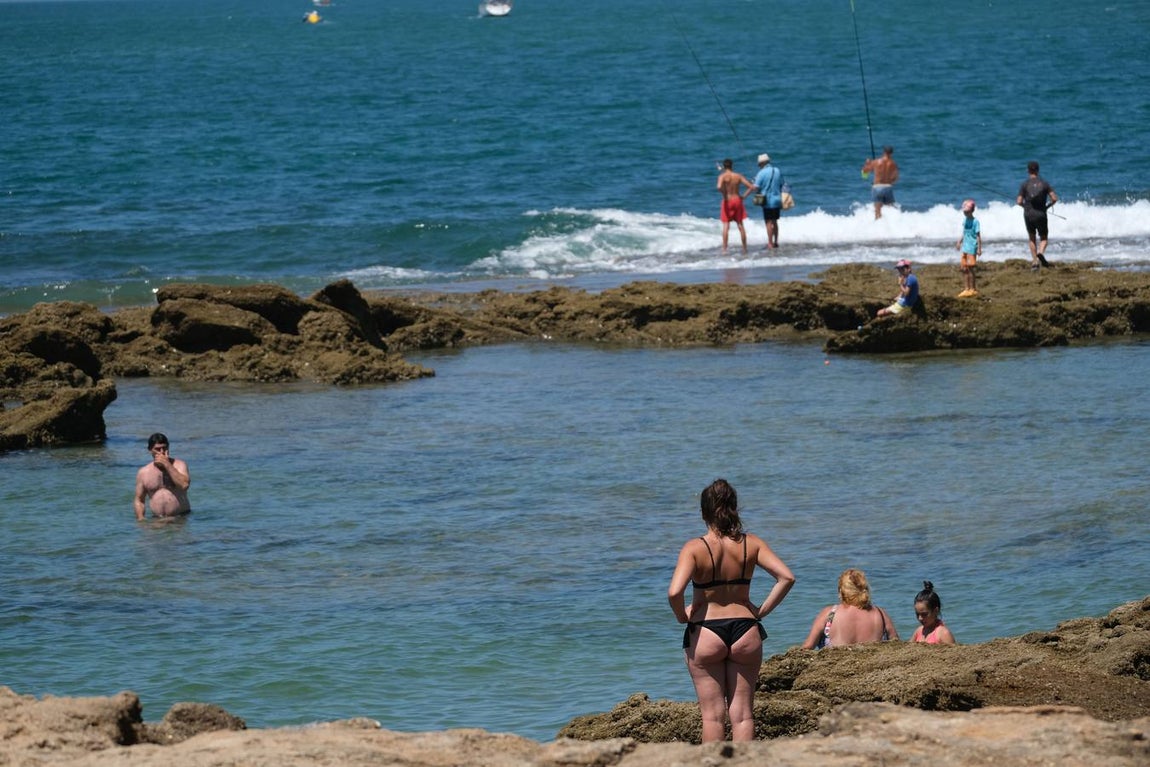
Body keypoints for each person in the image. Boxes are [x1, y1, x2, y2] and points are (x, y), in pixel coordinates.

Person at [668, 479, 796, 742]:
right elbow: (786, 578)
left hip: (705, 631)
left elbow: (674, 592)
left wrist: (682, 616)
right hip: (745, 630)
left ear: (704, 513)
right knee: (744, 715)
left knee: (712, 716)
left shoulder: (694, 548)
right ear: (735, 508)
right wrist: (760, 611)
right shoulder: (752, 544)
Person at [801, 568, 900, 649]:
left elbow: (807, 647)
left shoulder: (830, 614)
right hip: (873, 671)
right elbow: (897, 645)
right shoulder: (880, 614)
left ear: (841, 591)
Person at [133, 432, 191, 521]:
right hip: (157, 521)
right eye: (157, 449)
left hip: (180, 518)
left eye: (164, 448)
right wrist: (141, 519)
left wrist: (167, 465)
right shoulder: (143, 472)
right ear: (150, 449)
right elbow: (139, 500)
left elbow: (184, 485)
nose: (162, 452)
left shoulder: (180, 465)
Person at [1016, 161, 1059, 270]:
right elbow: (1054, 198)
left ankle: (1035, 261)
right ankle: (1040, 252)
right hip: (1041, 214)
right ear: (1038, 170)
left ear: (1028, 170)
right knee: (1043, 237)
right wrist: (1048, 206)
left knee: (1032, 237)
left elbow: (1019, 201)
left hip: (1028, 214)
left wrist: (1025, 206)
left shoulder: (1024, 184)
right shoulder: (1045, 183)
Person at [716, 158, 754, 254]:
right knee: (740, 225)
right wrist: (743, 197)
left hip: (727, 200)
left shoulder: (722, 176)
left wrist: (724, 193)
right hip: (737, 200)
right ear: (732, 166)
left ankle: (724, 249)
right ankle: (745, 248)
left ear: (724, 167)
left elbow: (718, 187)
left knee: (726, 225)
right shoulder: (738, 176)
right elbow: (751, 187)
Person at [751, 153, 785, 249]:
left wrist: (753, 183)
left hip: (767, 201)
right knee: (774, 221)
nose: (759, 166)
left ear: (762, 163)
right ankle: (776, 242)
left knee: (768, 222)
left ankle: (770, 243)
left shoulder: (761, 173)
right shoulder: (777, 170)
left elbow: (756, 188)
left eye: (759, 164)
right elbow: (782, 184)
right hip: (777, 199)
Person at [861, 145, 899, 219]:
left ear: (884, 152)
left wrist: (867, 164)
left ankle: (878, 226)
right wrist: (890, 182)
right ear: (892, 153)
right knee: (891, 209)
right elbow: (896, 178)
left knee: (877, 211)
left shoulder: (876, 162)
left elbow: (864, 172)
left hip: (877, 187)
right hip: (888, 187)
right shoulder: (893, 164)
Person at [955, 198, 982, 298]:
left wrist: (979, 248)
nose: (965, 213)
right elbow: (964, 233)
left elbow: (978, 236)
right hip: (965, 248)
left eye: (967, 212)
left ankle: (973, 289)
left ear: (971, 211)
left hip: (972, 248)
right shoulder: (965, 220)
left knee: (971, 269)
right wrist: (959, 242)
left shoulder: (976, 222)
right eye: (964, 212)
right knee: (964, 269)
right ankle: (966, 288)